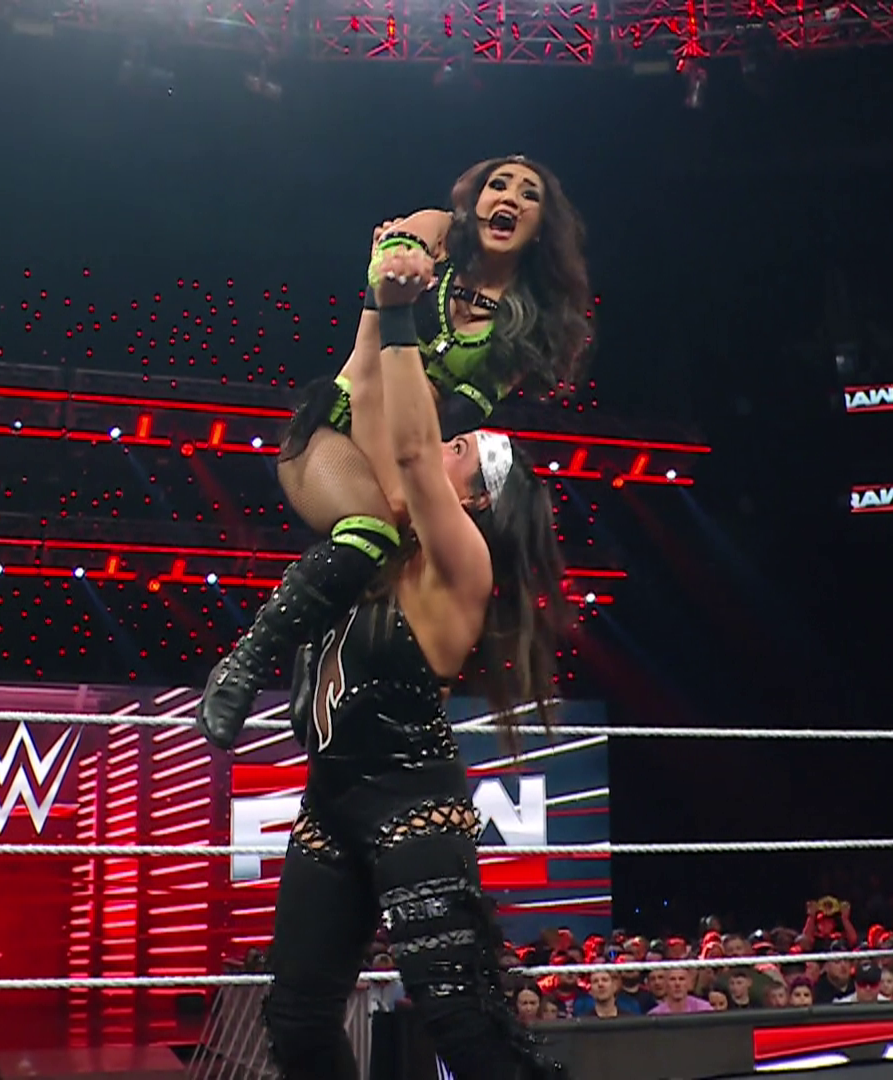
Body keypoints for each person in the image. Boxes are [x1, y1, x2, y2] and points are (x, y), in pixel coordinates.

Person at [255, 241, 569, 1080]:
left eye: (461, 449)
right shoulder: (368, 546)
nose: (444, 442)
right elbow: (357, 417)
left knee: (462, 1021)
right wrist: (381, 298)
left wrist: (399, 319)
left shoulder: (462, 562)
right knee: (296, 1018)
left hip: (412, 808)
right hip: (329, 806)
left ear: (476, 496)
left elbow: (410, 453)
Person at [196, 155, 590, 746]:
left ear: (541, 227)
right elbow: (396, 261)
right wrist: (400, 259)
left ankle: (323, 659)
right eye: (497, 184)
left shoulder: (524, 326)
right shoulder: (438, 231)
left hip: (406, 449)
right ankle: (243, 667)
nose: (509, 197)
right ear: (475, 200)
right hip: (336, 430)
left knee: (407, 552)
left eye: (528, 193)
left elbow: (452, 420)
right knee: (374, 530)